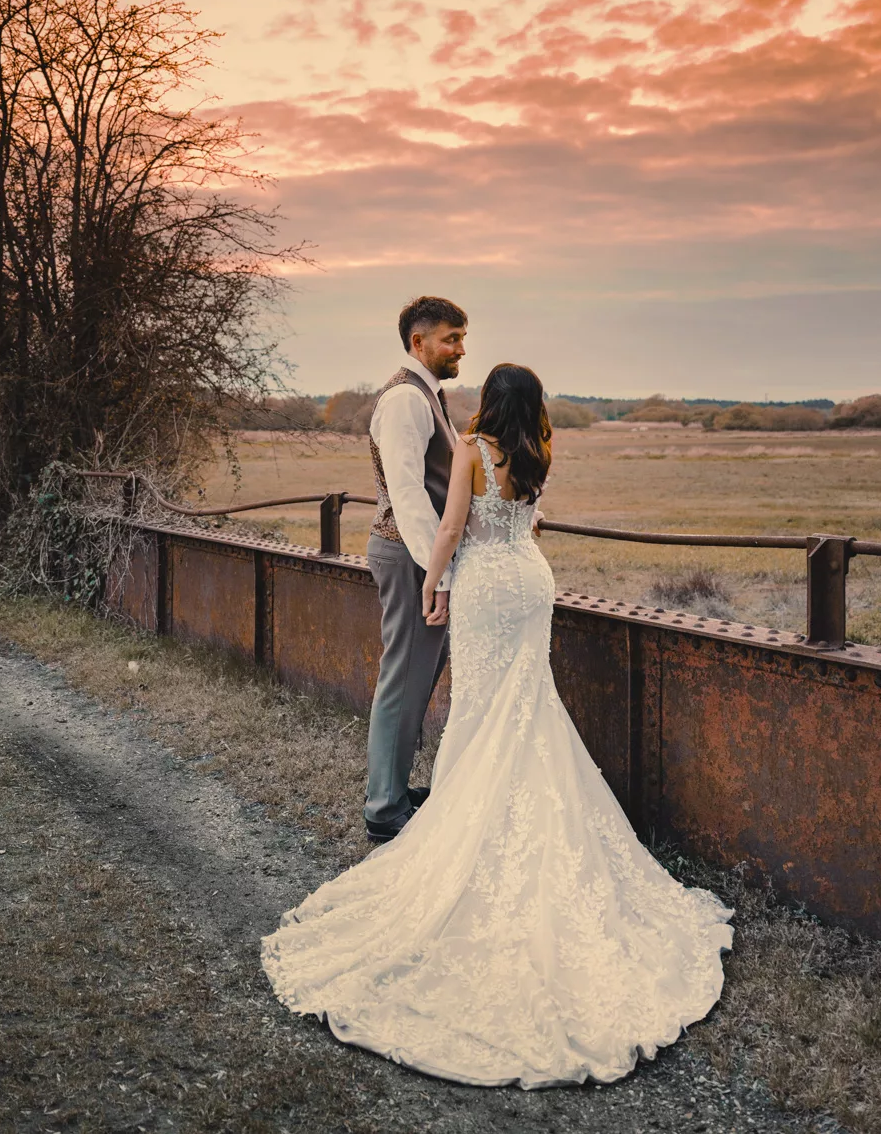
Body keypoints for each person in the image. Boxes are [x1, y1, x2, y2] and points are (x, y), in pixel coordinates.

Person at [261, 363, 733, 1089]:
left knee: (480, 712)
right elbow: (528, 521)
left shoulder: (473, 451)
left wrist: (430, 580)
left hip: (483, 583)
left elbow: (451, 526)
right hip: (531, 580)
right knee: (528, 706)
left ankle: (471, 823)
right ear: (535, 406)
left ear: (488, 403)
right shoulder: (538, 452)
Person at [360, 295, 467, 844]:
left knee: (416, 673)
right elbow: (408, 494)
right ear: (418, 341)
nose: (460, 349)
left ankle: (396, 789)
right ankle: (384, 808)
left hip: (415, 556)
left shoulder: (428, 394)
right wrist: (438, 574)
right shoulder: (406, 399)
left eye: (462, 338)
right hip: (408, 555)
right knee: (403, 676)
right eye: (451, 338)